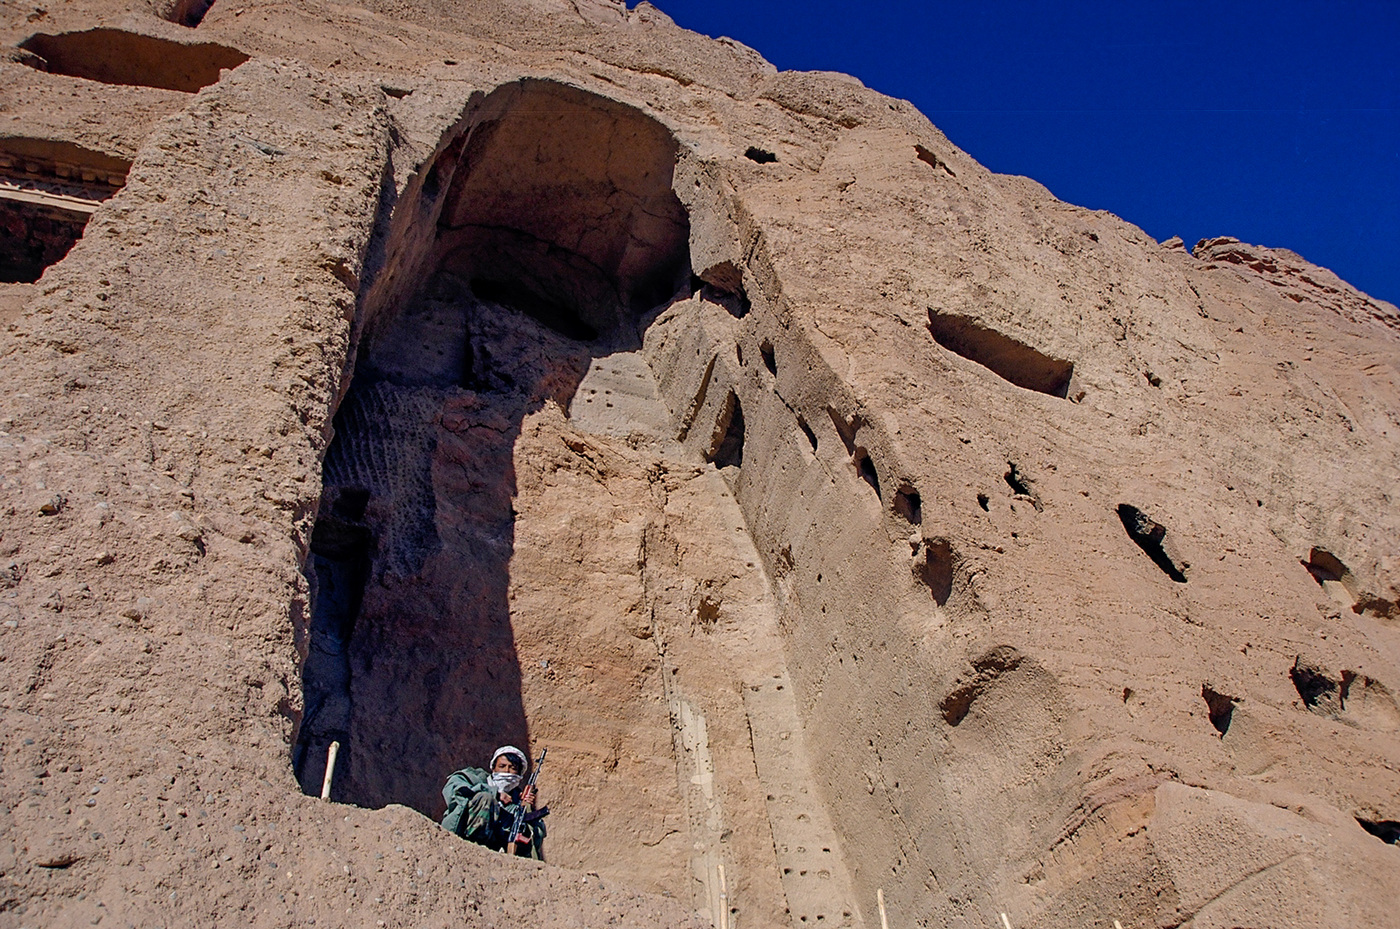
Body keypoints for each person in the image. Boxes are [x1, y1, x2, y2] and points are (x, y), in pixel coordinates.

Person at [441, 745, 545, 858]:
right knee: (486, 798)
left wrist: (527, 810)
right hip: (460, 838)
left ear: (519, 773)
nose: (506, 771)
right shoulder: (477, 778)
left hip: (494, 850)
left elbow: (537, 838)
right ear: (493, 768)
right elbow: (453, 789)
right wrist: (495, 793)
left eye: (512, 768)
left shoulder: (517, 800)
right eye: (502, 766)